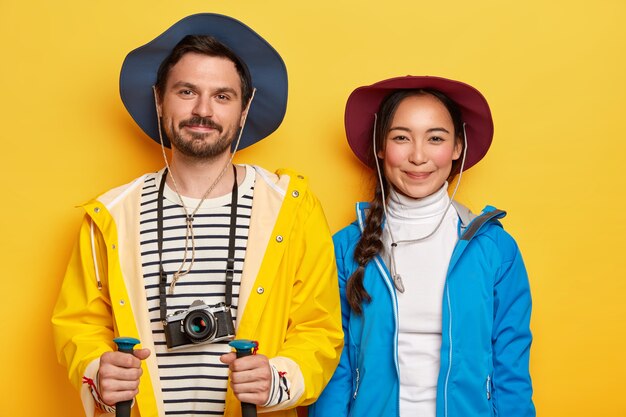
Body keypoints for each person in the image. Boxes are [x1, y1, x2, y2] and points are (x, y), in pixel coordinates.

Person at [52, 13, 342, 417]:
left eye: (222, 96)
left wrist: (276, 380)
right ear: (159, 99)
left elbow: (319, 330)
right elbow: (78, 325)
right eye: (187, 91)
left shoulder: (290, 207)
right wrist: (98, 371)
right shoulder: (111, 215)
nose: (203, 110)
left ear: (244, 110)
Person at [309, 76, 535, 417]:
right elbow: (333, 367)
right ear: (380, 146)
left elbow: (511, 366)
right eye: (401, 137)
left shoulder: (495, 248)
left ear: (458, 147)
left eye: (435, 138)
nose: (417, 156)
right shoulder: (344, 248)